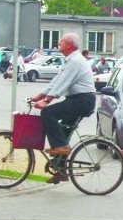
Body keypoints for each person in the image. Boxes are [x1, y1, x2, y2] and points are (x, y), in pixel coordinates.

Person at [30, 33, 96, 184]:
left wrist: (46, 101)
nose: (58, 44)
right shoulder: (70, 60)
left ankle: (61, 147)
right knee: (62, 131)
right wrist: (38, 96)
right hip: (77, 99)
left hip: (82, 100)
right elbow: (56, 80)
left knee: (48, 113)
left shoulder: (75, 61)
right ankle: (61, 171)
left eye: (61, 42)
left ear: (69, 45)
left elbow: (63, 84)